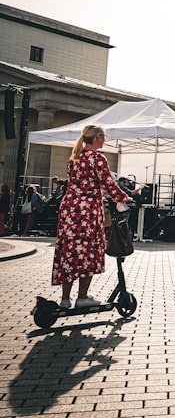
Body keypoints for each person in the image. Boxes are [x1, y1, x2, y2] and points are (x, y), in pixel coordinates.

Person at [51, 125, 132, 309]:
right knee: (88, 250)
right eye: (103, 137)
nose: (104, 140)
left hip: (69, 208)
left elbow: (82, 182)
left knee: (70, 251)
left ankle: (65, 298)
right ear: (96, 138)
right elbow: (108, 182)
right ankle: (82, 297)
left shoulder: (74, 158)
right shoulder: (97, 158)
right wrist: (123, 197)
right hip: (87, 210)